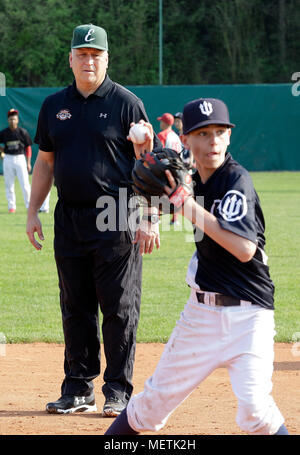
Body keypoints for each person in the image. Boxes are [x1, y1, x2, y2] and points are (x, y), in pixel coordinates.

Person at [105, 98, 289, 435]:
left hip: (249, 317)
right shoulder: (191, 177)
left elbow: (244, 248)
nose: (213, 141)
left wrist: (184, 205)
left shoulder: (236, 181)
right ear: (186, 139)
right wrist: (143, 154)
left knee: (256, 411)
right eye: (203, 134)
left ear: (229, 137)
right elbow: (156, 189)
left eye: (220, 132)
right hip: (200, 316)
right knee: (150, 405)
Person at [26, 23, 161, 417]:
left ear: (106, 59)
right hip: (69, 215)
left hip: (117, 213)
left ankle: (117, 390)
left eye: (95, 55)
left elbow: (148, 164)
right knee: (75, 305)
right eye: (81, 54)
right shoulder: (54, 106)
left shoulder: (127, 104)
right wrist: (34, 210)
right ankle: (78, 388)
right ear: (70, 58)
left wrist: (150, 216)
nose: (88, 60)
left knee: (119, 307)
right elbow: (45, 163)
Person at [0, 109, 32, 213]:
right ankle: (11, 207)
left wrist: (28, 162)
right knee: (9, 184)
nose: (12, 121)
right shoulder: (4, 133)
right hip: (8, 158)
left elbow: (28, 148)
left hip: (20, 158)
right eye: (10, 119)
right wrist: (2, 152)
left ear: (17, 120)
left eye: (14, 119)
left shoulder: (23, 132)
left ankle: (29, 206)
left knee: (25, 185)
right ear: (8, 120)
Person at [157, 112, 182, 225]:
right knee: (174, 193)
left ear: (165, 122)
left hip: (165, 167)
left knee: (157, 192)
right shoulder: (175, 136)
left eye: (161, 121)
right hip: (176, 167)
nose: (160, 123)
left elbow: (158, 152)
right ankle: (175, 219)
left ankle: (155, 217)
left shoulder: (163, 135)